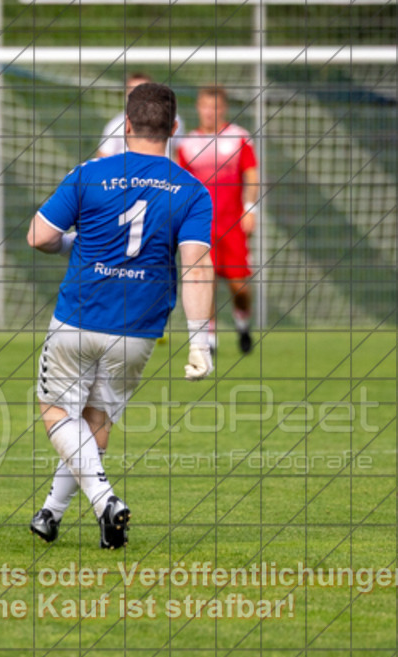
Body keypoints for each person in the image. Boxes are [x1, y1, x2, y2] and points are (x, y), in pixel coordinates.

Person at [27, 83, 215, 549]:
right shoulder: (192, 191)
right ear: (173, 129)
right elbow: (195, 266)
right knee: (96, 420)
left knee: (56, 413)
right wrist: (199, 340)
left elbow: (38, 237)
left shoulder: (89, 173)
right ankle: (51, 513)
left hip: (77, 317)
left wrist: (76, 242)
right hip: (138, 330)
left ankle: (105, 500)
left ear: (125, 125)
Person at [176, 86, 259, 353]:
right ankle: (210, 339)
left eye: (214, 107)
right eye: (204, 106)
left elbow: (251, 174)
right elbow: (181, 184)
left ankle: (242, 324)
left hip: (233, 224)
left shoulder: (238, 138)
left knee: (240, 286)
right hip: (202, 225)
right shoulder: (187, 144)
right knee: (204, 280)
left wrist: (250, 208)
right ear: (198, 107)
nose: (209, 112)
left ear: (223, 108)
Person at [95, 72, 184, 159]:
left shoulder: (172, 118)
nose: (140, 97)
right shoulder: (116, 124)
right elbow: (103, 157)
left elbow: (179, 155)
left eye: (144, 91)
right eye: (133, 91)